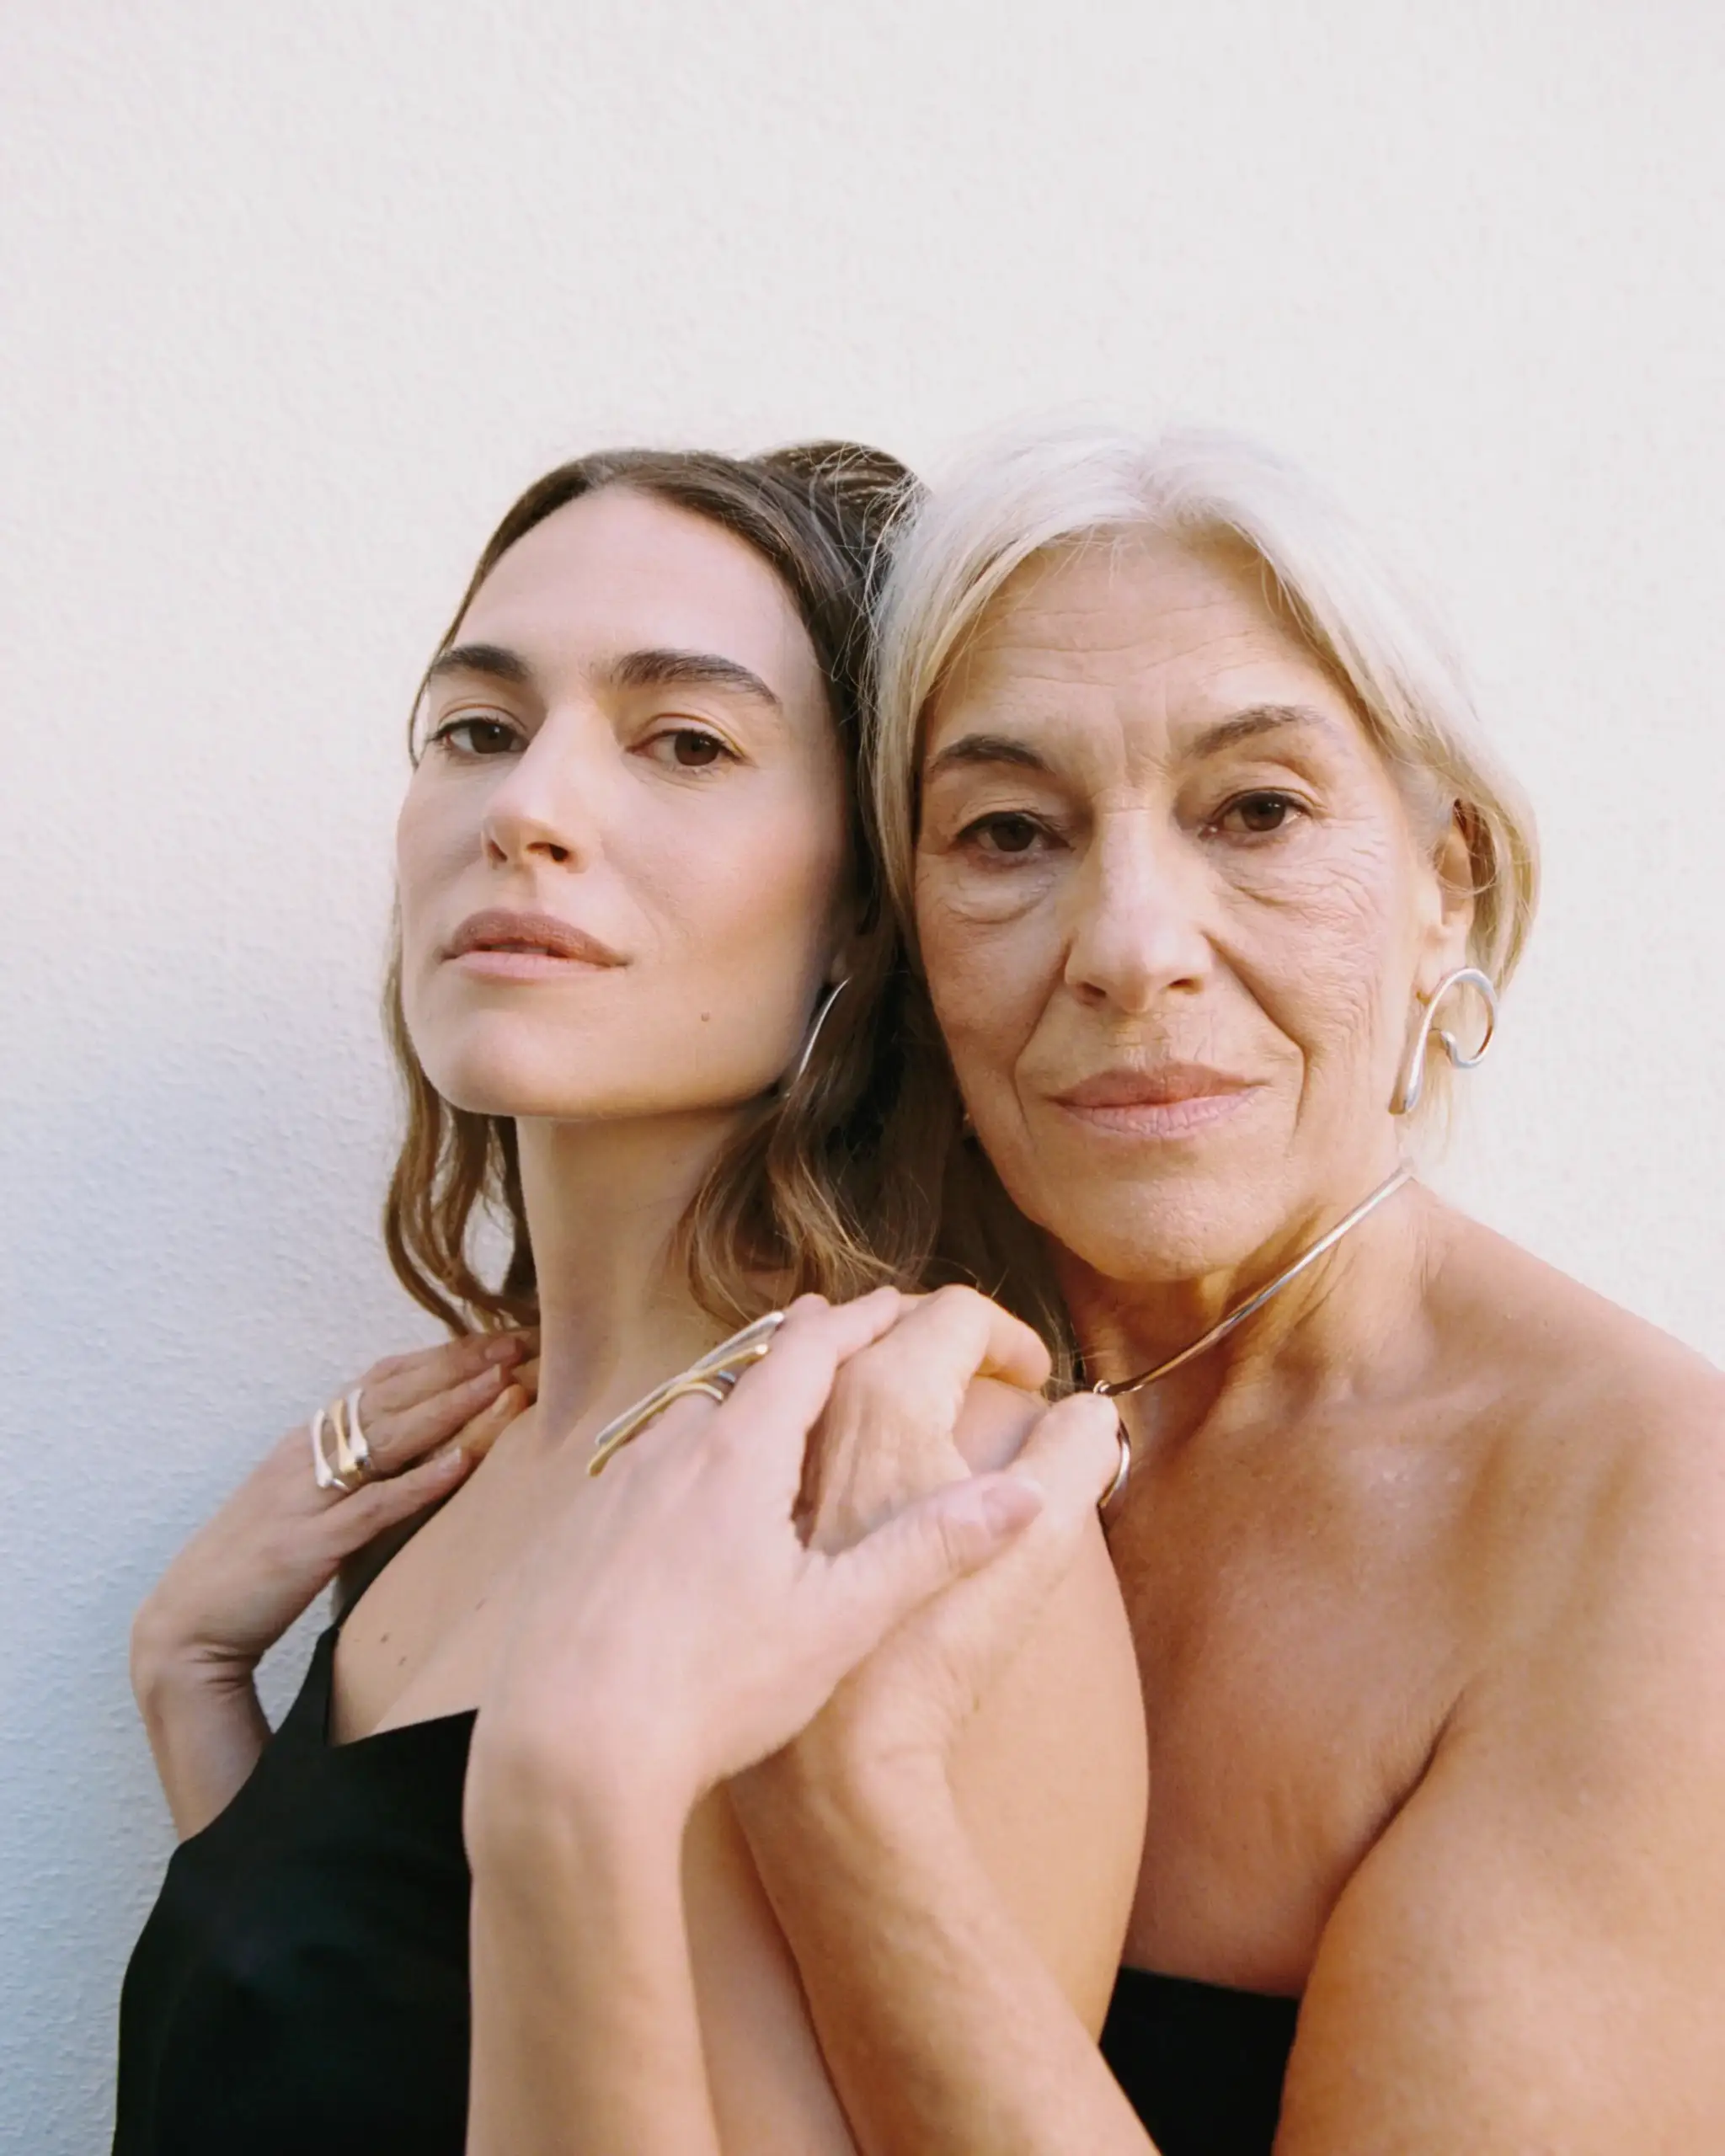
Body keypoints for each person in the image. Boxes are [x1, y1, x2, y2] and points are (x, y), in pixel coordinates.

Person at [113, 442, 1148, 2154]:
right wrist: (195, 1693)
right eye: (478, 727)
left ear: (862, 907)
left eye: (686, 742)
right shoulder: (471, 1451)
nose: (527, 806)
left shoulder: (913, 1490)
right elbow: (333, 2054)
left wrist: (572, 1792)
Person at [720, 424, 1725, 2153]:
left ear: (1446, 888)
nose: (1130, 946)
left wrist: (849, 1807)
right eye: (1009, 832)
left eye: (1256, 810)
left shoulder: (1649, 1518)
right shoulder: (840, 1401)